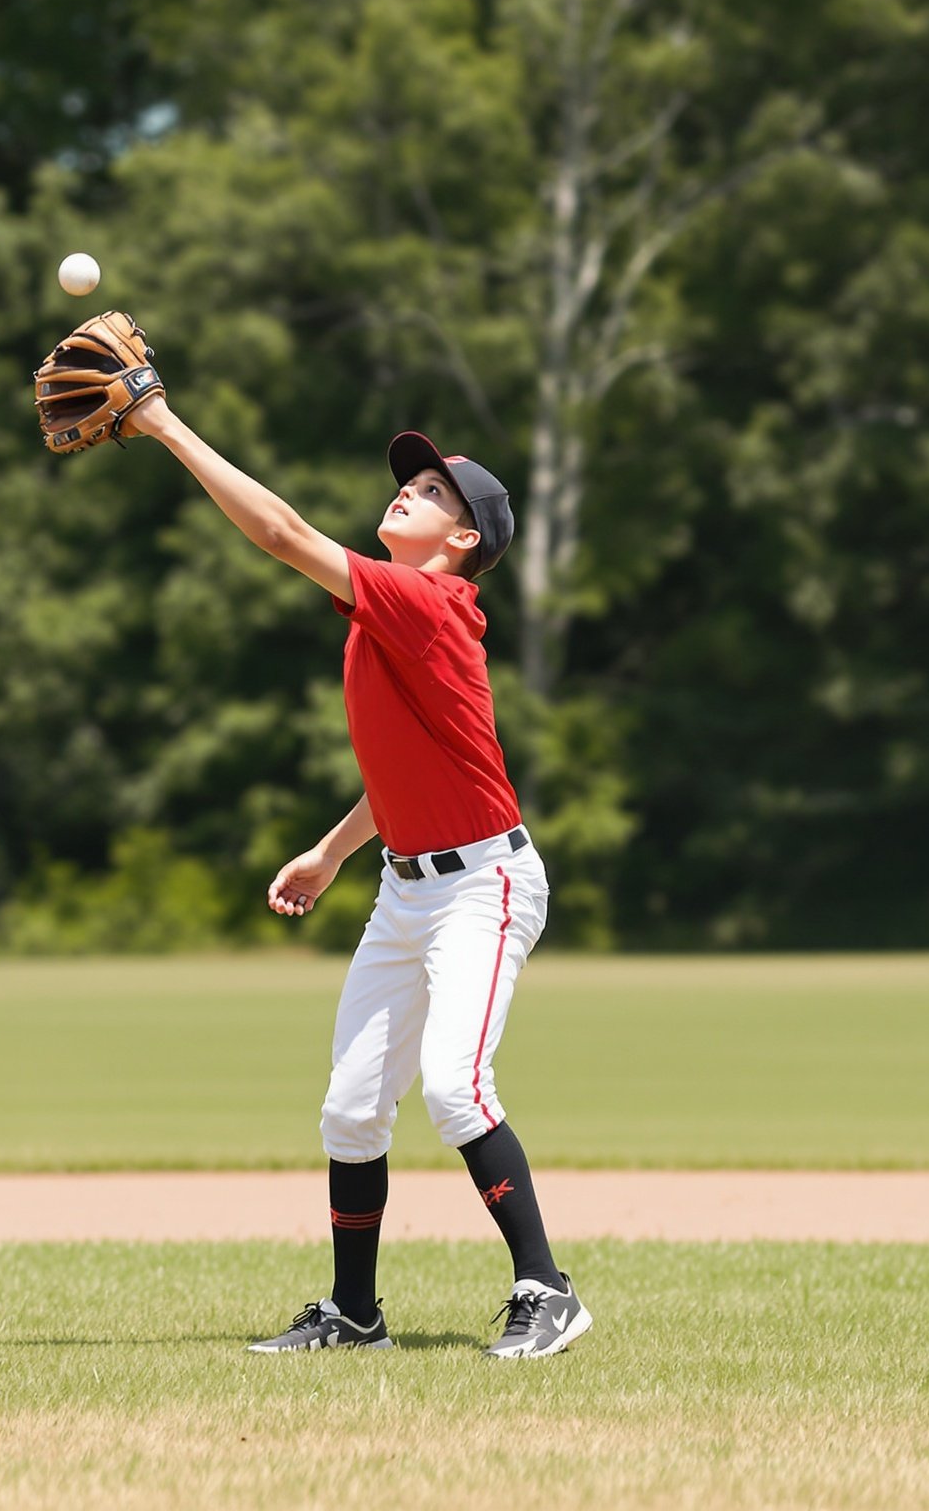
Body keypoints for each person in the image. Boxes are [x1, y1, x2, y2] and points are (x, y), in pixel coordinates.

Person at [121, 393, 590, 1360]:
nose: (406, 494)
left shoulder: (427, 602)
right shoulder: (388, 611)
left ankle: (549, 1289)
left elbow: (282, 532)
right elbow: (410, 767)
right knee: (349, 1109)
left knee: (456, 1090)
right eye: (410, 481)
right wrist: (333, 852)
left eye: (430, 492)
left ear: (462, 539)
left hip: (484, 887)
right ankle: (354, 1315)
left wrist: (164, 424)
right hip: (407, 887)